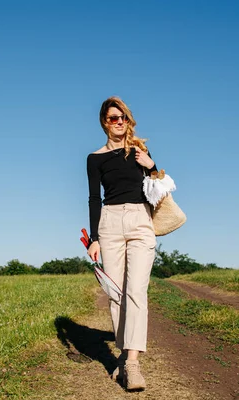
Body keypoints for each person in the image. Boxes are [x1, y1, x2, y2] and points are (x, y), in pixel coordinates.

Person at [86, 96, 158, 391]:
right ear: (105, 122)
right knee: (116, 294)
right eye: (114, 118)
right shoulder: (94, 158)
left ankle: (132, 363)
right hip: (110, 223)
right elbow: (93, 199)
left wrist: (152, 164)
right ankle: (121, 354)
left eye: (123, 118)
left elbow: (157, 185)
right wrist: (94, 238)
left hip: (140, 220)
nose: (119, 123)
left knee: (136, 291)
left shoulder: (140, 150)